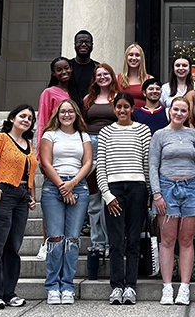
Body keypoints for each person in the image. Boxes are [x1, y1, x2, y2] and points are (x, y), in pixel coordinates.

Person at [0, 104, 38, 310]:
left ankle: (9, 292)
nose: (26, 120)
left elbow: (30, 174)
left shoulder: (29, 144)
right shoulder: (0, 139)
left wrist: (31, 195)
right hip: (3, 193)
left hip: (21, 196)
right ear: (12, 118)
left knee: (13, 246)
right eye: (22, 116)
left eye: (30, 117)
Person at [96, 92, 152, 305]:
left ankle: (131, 286)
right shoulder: (106, 132)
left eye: (126, 107)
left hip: (137, 189)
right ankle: (116, 286)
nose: (122, 110)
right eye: (118, 107)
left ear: (132, 108)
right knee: (117, 241)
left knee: (134, 240)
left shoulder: (143, 130)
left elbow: (147, 163)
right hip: (113, 189)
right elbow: (100, 166)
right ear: (114, 109)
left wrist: (147, 191)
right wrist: (107, 195)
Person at [150, 96, 195, 306]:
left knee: (187, 239)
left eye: (184, 110)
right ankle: (166, 287)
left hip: (190, 187)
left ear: (188, 113)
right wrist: (157, 194)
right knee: (168, 239)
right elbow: (153, 166)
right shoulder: (160, 135)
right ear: (169, 111)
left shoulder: (192, 134)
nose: (179, 114)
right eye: (176, 110)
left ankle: (184, 287)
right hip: (166, 188)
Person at [39, 99, 93, 305]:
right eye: (63, 112)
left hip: (78, 187)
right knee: (55, 238)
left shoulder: (83, 135)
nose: (67, 115)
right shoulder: (49, 134)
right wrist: (63, 186)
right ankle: (53, 286)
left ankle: (67, 286)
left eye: (71, 111)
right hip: (53, 188)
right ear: (57, 114)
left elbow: (88, 162)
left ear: (76, 114)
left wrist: (72, 184)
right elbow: (45, 162)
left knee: (72, 240)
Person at [83, 63, 119, 256]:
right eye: (99, 74)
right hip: (90, 148)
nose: (103, 77)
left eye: (106, 74)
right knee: (94, 201)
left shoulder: (117, 99)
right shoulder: (88, 99)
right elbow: (82, 123)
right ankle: (98, 243)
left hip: (111, 148)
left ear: (112, 76)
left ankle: (111, 243)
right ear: (95, 78)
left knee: (108, 198)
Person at [37, 56, 83, 146]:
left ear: (71, 69)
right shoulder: (48, 93)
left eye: (66, 68)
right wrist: (41, 148)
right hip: (56, 140)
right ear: (54, 73)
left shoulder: (76, 93)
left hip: (75, 139)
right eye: (59, 70)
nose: (64, 72)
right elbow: (43, 122)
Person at [117, 43, 152, 110]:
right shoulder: (117, 79)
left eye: (137, 55)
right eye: (130, 55)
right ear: (126, 57)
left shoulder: (149, 79)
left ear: (142, 58)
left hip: (143, 118)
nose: (134, 58)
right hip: (123, 117)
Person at [70, 30, 99, 97]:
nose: (83, 44)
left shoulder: (97, 67)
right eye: (80, 42)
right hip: (70, 106)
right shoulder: (67, 67)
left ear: (92, 45)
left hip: (90, 105)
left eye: (87, 42)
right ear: (74, 45)